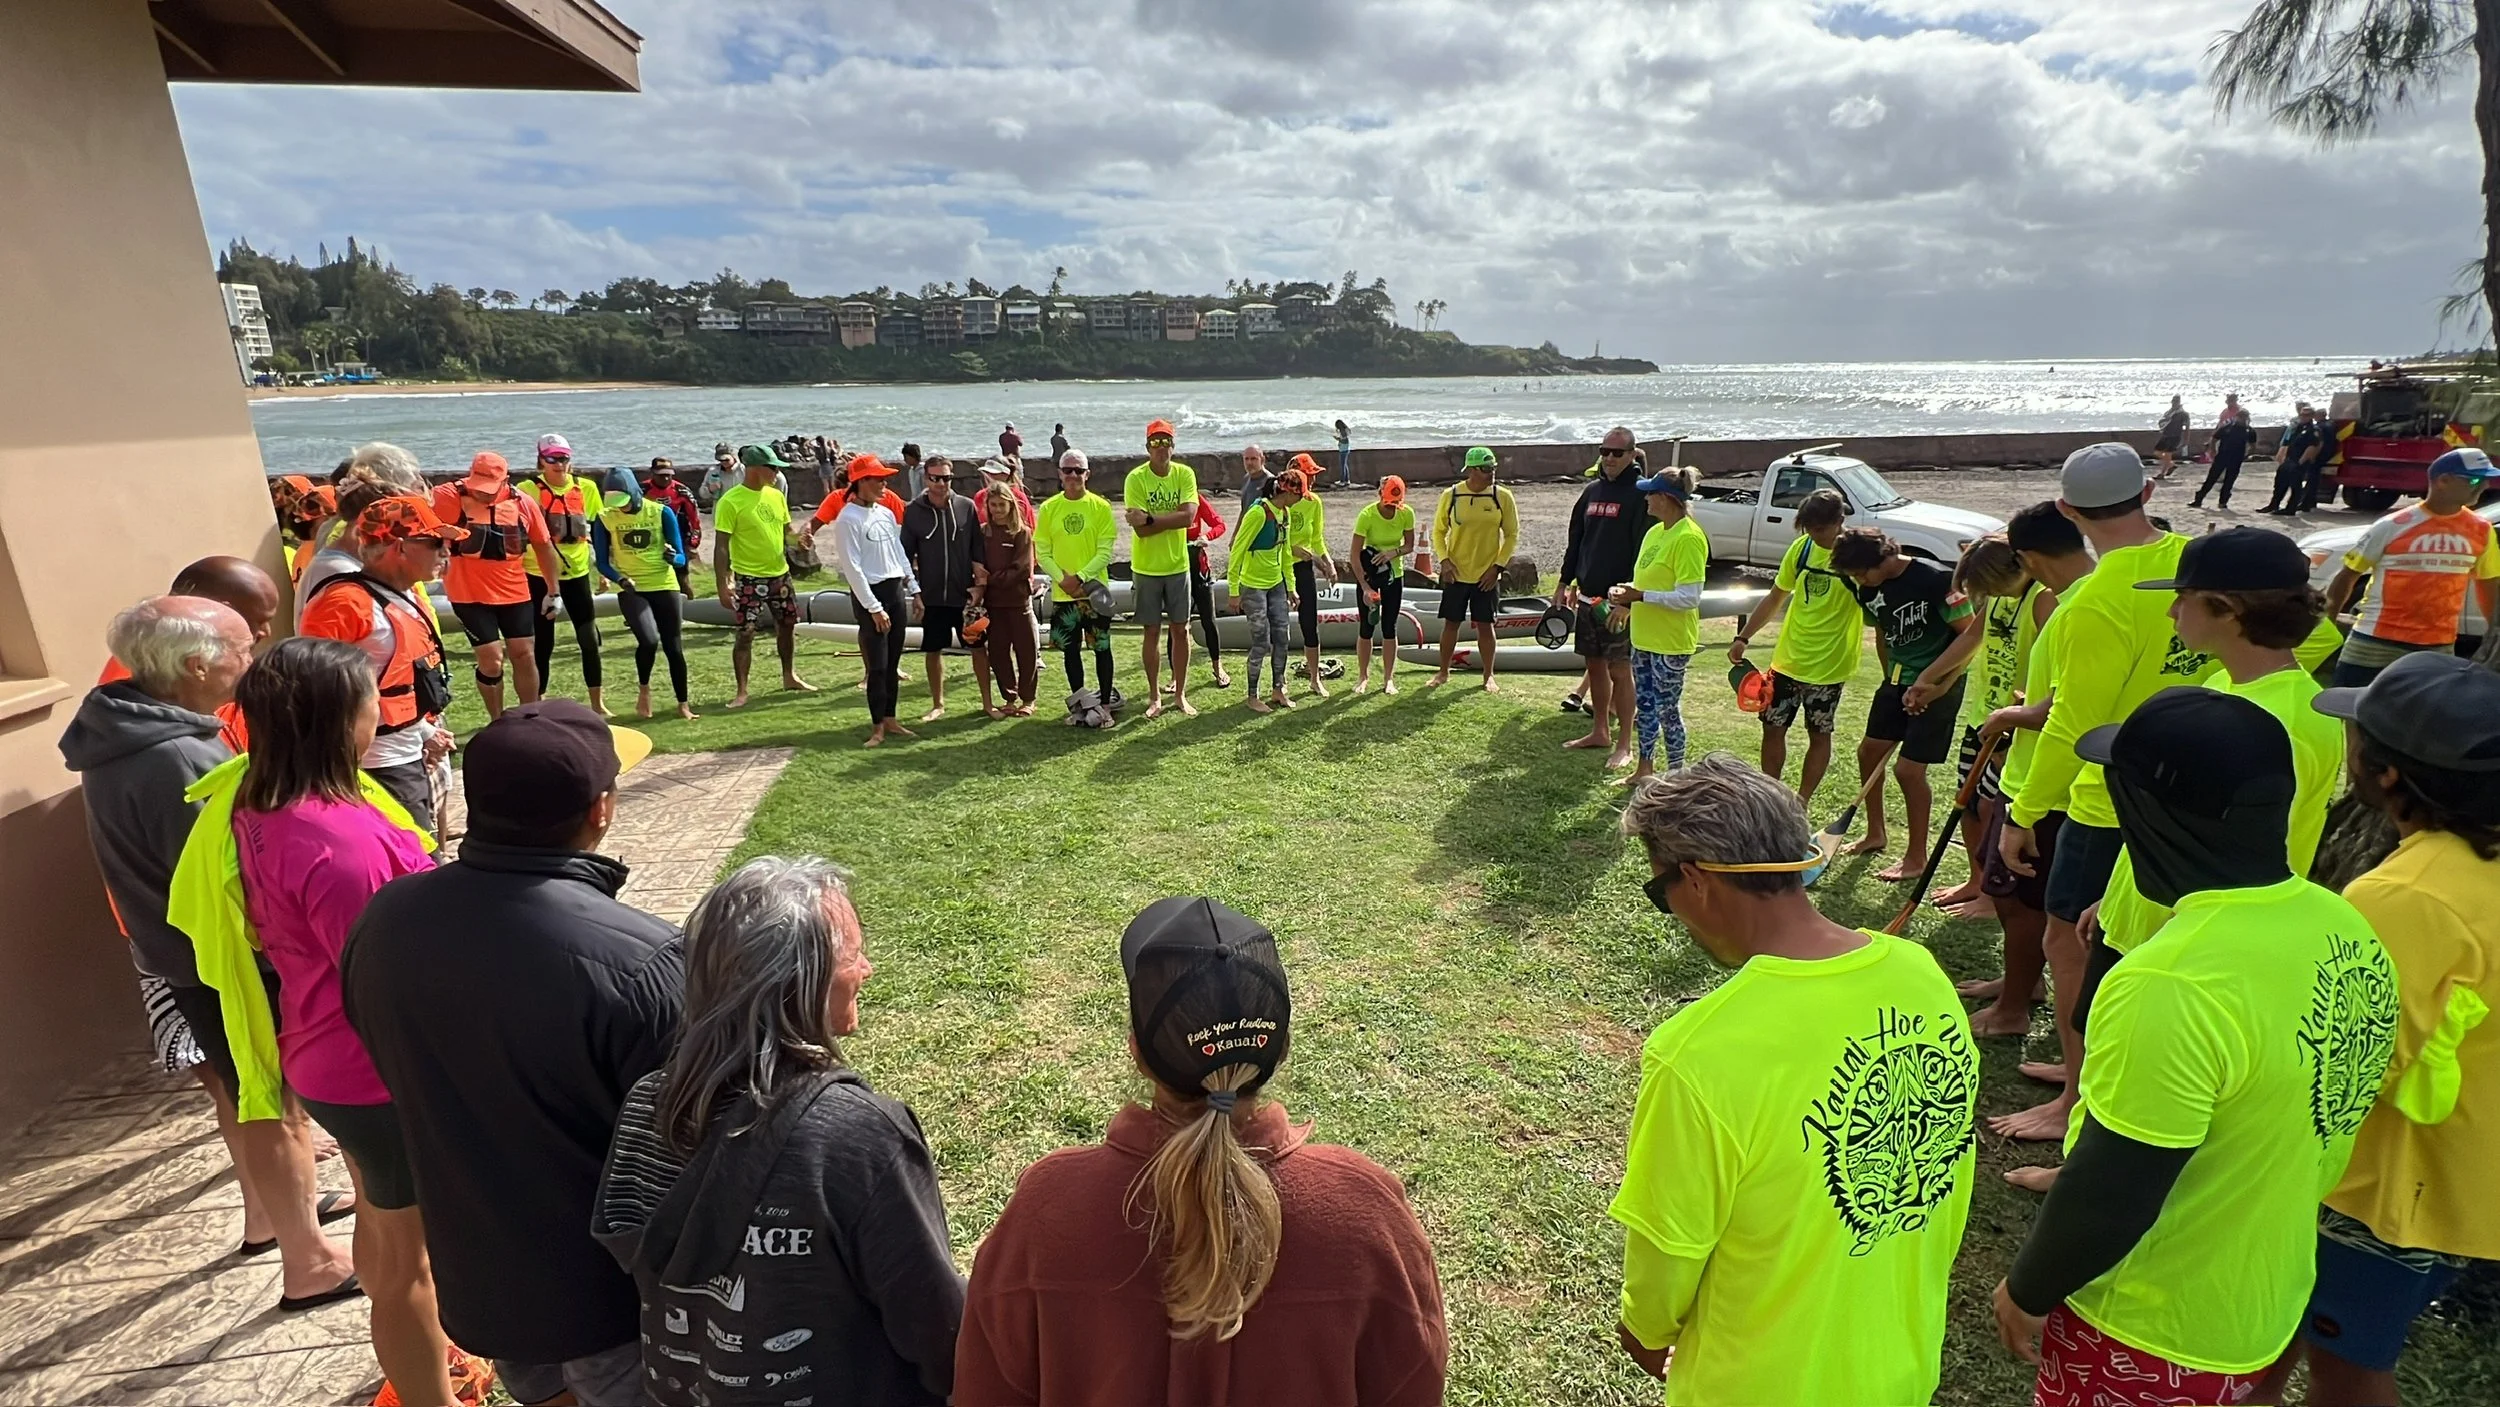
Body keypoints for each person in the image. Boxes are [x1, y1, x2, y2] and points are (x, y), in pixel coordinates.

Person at [1992, 689, 2397, 1406]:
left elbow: (2115, 1186)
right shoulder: (2343, 924)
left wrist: (2028, 1288)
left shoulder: (2171, 980)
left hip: (2146, 1325)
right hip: (2262, 1301)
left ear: (2147, 813)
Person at [955, 897, 1447, 1402]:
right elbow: (1414, 1384)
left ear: (1137, 1053)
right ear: (1282, 1049)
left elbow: (984, 1390)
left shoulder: (1047, 1209)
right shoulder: (1367, 1211)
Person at [341, 700, 677, 1407]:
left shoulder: (385, 920)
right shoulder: (641, 960)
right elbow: (689, 1144)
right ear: (601, 810)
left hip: (485, 1282)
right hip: (614, 1302)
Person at [1613, 757, 1978, 1403]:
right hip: (1901, 1366)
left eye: (1660, 892)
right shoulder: (1921, 974)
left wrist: (1644, 1330)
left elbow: (1669, 1248)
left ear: (1695, 879)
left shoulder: (1695, 1053)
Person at [173, 638, 482, 1402]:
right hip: (376, 1068)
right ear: (340, 717)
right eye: (369, 693)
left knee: (382, 1222)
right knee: (410, 1265)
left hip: (326, 1053)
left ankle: (422, 1367)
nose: (382, 703)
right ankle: (427, 1392)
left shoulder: (258, 800)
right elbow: (387, 975)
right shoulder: (340, 844)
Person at [62, 598, 361, 1313]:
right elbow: (237, 878)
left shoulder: (126, 729)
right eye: (240, 650)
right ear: (196, 665)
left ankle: (277, 1222)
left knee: (257, 1100)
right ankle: (309, 1262)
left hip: (187, 960)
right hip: (226, 965)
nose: (252, 662)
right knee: (274, 1106)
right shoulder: (178, 757)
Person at [594, 858, 964, 1407]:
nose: (867, 969)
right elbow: (934, 1324)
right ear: (798, 984)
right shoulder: (858, 1136)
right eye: (851, 956)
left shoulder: (650, 1103)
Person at [2283, 654, 2500, 1405]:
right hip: (2467, 1166)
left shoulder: (2407, 896)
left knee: (2347, 1369)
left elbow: (2356, 1065)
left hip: (2387, 1186)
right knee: (2291, 1327)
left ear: (2386, 775)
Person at [1994, 444, 2213, 1144]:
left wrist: (2024, 812)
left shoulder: (2091, 601)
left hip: (2108, 800)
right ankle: (2084, 1069)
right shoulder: (2196, 564)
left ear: (2067, 511)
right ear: (2148, 491)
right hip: (2196, 792)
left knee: (2070, 940)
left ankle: (2078, 1096)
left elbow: (2073, 723)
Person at [1961, 510, 2085, 1047]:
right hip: (2025, 771)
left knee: (2025, 901)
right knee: (2012, 898)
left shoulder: (2071, 605)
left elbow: (2070, 705)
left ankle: (2013, 1009)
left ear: (2028, 559)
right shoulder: (2062, 600)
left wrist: (2012, 715)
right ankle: (2021, 985)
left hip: (2047, 784)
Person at [297, 496, 461, 839]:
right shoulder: (343, 605)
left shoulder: (404, 594)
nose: (446, 552)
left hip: (407, 752)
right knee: (414, 857)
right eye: (435, 543)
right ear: (399, 547)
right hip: (376, 767)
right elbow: (316, 694)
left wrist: (424, 732)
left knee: (422, 850)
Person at [1829, 528, 1978, 883]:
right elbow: (1883, 632)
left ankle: (1916, 858)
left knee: (1909, 771)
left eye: (1861, 573)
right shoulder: (1866, 586)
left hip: (1939, 685)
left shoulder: (1936, 580)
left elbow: (1970, 635)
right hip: (1897, 682)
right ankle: (1875, 833)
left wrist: (1938, 686)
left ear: (1884, 558)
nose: (1859, 581)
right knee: (1869, 753)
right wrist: (1890, 681)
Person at [1929, 538, 2053, 920]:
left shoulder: (2043, 599)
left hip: (2017, 722)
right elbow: (1972, 637)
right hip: (1983, 717)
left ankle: (1990, 894)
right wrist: (1928, 678)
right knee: (1967, 802)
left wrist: (2025, 710)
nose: (1991, 595)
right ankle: (1975, 879)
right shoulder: (1998, 598)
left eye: (1993, 587)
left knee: (1989, 806)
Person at [2325, 446, 2500, 688]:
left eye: (2487, 480)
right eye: (2475, 480)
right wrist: (2329, 621)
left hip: (2439, 644)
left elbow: (2488, 583)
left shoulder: (2482, 530)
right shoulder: (2392, 525)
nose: (2484, 486)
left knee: (2425, 711)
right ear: (2443, 481)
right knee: (2347, 703)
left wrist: (2494, 631)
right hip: (2375, 638)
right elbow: (2347, 576)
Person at [1727, 490, 1860, 805]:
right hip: (1787, 661)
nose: (1813, 534)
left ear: (1840, 521)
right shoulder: (1802, 549)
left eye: (1820, 529)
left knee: (1819, 734)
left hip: (1829, 667)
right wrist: (1743, 637)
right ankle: (1772, 799)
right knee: (1772, 729)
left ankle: (1802, 801)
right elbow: (1776, 596)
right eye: (1808, 528)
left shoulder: (1857, 556)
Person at [432, 450, 562, 719]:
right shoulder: (445, 497)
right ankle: (497, 720)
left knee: (524, 654)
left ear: (505, 480)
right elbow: (414, 526)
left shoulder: (523, 504)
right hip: (468, 595)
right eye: (478, 488)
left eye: (489, 489)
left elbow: (543, 546)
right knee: (491, 660)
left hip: (514, 592)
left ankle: (530, 717)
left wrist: (553, 592)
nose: (483, 494)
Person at [1608, 467, 1709, 783]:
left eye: (1650, 493)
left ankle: (1677, 776)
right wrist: (1627, 595)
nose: (1646, 499)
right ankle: (1645, 769)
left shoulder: (1689, 538)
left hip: (1671, 642)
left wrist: (1640, 595)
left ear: (1666, 498)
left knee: (1668, 710)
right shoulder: (1655, 533)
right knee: (1646, 708)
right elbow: (1647, 583)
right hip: (1644, 638)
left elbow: (1689, 597)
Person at [1559, 426, 1649, 767]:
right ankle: (1600, 731)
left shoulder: (1641, 494)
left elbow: (1643, 552)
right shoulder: (1592, 492)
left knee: (1620, 670)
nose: (1609, 458)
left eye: (1617, 453)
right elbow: (1577, 540)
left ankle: (1625, 744)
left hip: (1619, 602)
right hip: (1587, 596)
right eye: (1604, 451)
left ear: (1632, 455)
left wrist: (1628, 600)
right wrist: (1565, 581)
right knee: (1594, 665)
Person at [713, 443, 815, 710]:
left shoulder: (776, 495)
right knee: (746, 633)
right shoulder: (731, 501)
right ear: (755, 468)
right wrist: (723, 584)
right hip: (749, 577)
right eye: (772, 468)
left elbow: (786, 532)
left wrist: (799, 541)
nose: (776, 473)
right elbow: (721, 546)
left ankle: (789, 676)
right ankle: (742, 691)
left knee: (788, 626)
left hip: (780, 574)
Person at [593, 468, 695, 721]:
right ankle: (644, 691)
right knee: (649, 641)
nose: (621, 508)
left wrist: (673, 557)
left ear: (634, 493)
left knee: (673, 647)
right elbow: (602, 562)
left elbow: (681, 558)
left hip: (664, 584)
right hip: (633, 588)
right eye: (616, 503)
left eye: (624, 502)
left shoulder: (661, 512)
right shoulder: (604, 518)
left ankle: (683, 704)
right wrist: (619, 579)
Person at [835, 455, 921, 747]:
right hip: (871, 593)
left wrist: (914, 588)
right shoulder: (848, 519)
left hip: (894, 590)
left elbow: (898, 553)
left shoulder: (884, 513)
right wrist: (873, 607)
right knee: (878, 665)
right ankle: (877, 727)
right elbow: (853, 568)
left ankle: (891, 719)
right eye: (878, 479)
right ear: (861, 482)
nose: (884, 484)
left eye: (885, 479)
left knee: (893, 661)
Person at [520, 434, 607, 715]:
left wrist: (602, 570)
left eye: (563, 458)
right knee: (543, 643)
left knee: (589, 639)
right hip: (538, 574)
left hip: (577, 572)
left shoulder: (586, 488)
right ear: (541, 460)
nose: (559, 464)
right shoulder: (526, 490)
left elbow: (596, 532)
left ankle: (597, 704)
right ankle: (538, 703)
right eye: (552, 458)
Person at [1125, 419, 1202, 718]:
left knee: (1181, 630)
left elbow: (1189, 518)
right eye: (1155, 442)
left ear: (1173, 445)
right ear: (1147, 448)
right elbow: (1140, 531)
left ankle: (1180, 693)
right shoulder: (1136, 479)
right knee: (1152, 632)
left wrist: (1150, 518)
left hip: (1177, 566)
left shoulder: (1184, 474)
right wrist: (1161, 520)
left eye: (1165, 441)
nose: (1161, 448)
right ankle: (1154, 695)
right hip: (1146, 568)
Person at [1035, 449, 1120, 709]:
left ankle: (1105, 704)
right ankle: (1081, 704)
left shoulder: (1101, 507)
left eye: (1078, 470)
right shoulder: (1049, 508)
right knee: (1070, 652)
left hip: (1094, 594)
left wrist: (1080, 578)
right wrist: (1063, 579)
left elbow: (1104, 551)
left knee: (1101, 648)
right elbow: (1042, 552)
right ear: (1060, 474)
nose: (1073, 475)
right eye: (1068, 470)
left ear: (1087, 474)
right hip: (1064, 594)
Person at [1429, 447, 1520, 691]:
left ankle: (1488, 675)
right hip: (1456, 573)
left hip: (1486, 575)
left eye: (1493, 468)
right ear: (1470, 470)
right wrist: (1444, 561)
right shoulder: (1452, 495)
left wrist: (1497, 568)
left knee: (1485, 625)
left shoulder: (1502, 496)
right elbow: (1438, 532)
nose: (1491, 473)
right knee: (1451, 623)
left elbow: (1511, 534)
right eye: (1486, 468)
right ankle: (1443, 672)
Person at [900, 457, 980, 722]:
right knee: (933, 649)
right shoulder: (914, 511)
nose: (941, 483)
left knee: (979, 648)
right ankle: (938, 704)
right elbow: (905, 556)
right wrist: (915, 593)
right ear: (926, 478)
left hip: (964, 595)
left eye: (946, 478)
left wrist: (979, 588)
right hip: (932, 595)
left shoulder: (966, 507)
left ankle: (988, 703)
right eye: (935, 478)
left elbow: (978, 551)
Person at [1229, 468, 1304, 713]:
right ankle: (1252, 696)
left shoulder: (1285, 513)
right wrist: (1233, 590)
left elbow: (1285, 553)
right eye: (1300, 495)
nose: (1301, 500)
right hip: (1253, 586)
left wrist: (1291, 587)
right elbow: (1237, 550)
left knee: (1283, 638)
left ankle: (1278, 689)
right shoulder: (1258, 513)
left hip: (1275, 584)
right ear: (1288, 493)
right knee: (1261, 642)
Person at [976, 478, 1040, 717]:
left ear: (1011, 505)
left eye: (1002, 505)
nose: (998, 510)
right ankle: (1009, 697)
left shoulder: (1022, 533)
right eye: (993, 505)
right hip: (993, 603)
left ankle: (1028, 698)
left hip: (1018, 601)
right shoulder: (983, 533)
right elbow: (977, 564)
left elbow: (1021, 569)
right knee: (998, 652)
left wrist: (990, 579)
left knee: (1026, 651)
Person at [1350, 476, 1416, 694]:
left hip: (1394, 576)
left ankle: (1388, 679)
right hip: (1370, 576)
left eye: (1395, 504)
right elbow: (1354, 555)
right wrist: (1365, 587)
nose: (1391, 507)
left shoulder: (1406, 513)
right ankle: (1363, 676)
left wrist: (1392, 553)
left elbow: (1409, 545)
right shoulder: (1367, 515)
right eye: (1388, 503)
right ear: (1380, 494)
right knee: (1367, 627)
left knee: (1389, 627)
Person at [1285, 452, 1334, 699]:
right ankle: (1279, 681)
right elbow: (1272, 537)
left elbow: (1316, 538)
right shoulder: (1281, 500)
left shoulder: (1314, 502)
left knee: (1309, 623)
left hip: (1303, 568)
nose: (1312, 480)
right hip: (1279, 567)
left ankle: (1315, 679)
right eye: (1308, 475)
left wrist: (1328, 562)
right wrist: (1292, 549)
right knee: (1278, 625)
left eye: (1313, 475)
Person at [1185, 486, 1233, 690]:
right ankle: (1176, 677)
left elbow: (1219, 524)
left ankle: (1217, 667)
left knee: (1208, 620)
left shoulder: (1195, 499)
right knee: (1178, 623)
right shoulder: (1167, 502)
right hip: (1176, 567)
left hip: (1199, 567)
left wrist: (1207, 537)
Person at [641, 458, 703, 596]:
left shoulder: (682, 491)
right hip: (650, 538)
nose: (665, 478)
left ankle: (688, 605)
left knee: (682, 578)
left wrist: (693, 544)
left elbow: (694, 520)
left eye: (668, 475)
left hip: (677, 538)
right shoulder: (642, 490)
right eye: (661, 475)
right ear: (652, 473)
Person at [2193, 393, 2254, 510]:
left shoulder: (2249, 431)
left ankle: (2223, 501)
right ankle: (2199, 499)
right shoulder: (2228, 427)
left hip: (2236, 458)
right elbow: (2215, 437)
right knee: (2211, 478)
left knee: (2229, 481)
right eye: (2240, 418)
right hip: (2222, 456)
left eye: (2244, 418)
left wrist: (2246, 454)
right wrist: (2213, 449)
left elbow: (2253, 444)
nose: (2242, 420)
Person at [2263, 403, 2323, 514]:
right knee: (2280, 483)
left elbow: (2313, 447)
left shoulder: (2313, 430)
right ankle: (2274, 505)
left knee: (2295, 486)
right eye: (2302, 415)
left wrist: (2301, 462)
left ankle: (2290, 509)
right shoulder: (2298, 427)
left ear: (2311, 416)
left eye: (2306, 415)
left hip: (2299, 461)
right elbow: (2288, 443)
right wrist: (2282, 457)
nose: (2303, 417)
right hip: (2289, 459)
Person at [972, 455, 1035, 529]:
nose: (989, 476)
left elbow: (1030, 525)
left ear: (1006, 475)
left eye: (994, 473)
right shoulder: (980, 496)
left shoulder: (1018, 496)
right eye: (987, 473)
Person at [2154, 395, 2189, 480]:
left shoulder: (2183, 414)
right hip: (2166, 435)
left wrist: (2186, 440)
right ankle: (2171, 465)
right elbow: (2163, 422)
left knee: (2168, 454)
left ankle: (2162, 474)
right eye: (2173, 401)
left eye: (2176, 401)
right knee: (2157, 452)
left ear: (2179, 402)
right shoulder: (2169, 412)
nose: (2174, 403)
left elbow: (2187, 427)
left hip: (2175, 436)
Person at [1238, 443, 1273, 511]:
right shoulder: (1246, 479)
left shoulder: (1270, 482)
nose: (1249, 463)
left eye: (1253, 459)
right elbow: (1244, 509)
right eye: (1246, 459)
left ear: (1262, 460)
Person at [1334, 416, 1353, 488]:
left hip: (1343, 450)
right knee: (1344, 465)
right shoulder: (1345, 430)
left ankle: (1342, 481)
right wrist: (1339, 439)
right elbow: (1344, 439)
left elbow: (1344, 441)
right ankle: (1347, 480)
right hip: (1345, 449)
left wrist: (1338, 439)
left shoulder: (1343, 431)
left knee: (1343, 466)